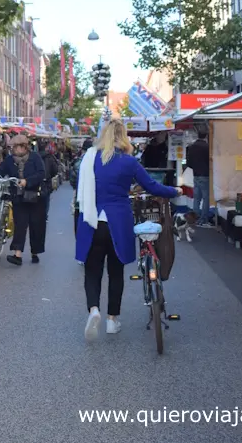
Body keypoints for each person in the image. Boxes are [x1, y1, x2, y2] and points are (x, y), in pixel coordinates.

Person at [76, 119, 180, 341]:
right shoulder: (129, 161)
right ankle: (112, 320)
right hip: (119, 221)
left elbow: (80, 186)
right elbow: (152, 186)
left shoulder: (90, 158)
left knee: (92, 271)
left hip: (92, 221)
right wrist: (175, 190)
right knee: (116, 272)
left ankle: (94, 310)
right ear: (123, 136)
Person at [0, 134, 47, 265]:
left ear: (24, 147)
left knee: (36, 225)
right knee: (20, 225)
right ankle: (17, 255)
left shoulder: (35, 157)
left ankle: (35, 252)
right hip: (18, 197)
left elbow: (41, 173)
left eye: (16, 147)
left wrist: (27, 181)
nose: (14, 149)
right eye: (13, 147)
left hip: (36, 197)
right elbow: (0, 170)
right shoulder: (10, 160)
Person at [186, 129, 211, 227]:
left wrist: (195, 167)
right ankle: (203, 219)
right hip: (205, 175)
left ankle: (195, 218)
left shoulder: (192, 147)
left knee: (197, 198)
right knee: (206, 198)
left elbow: (188, 163)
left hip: (195, 174)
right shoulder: (207, 147)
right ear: (206, 136)